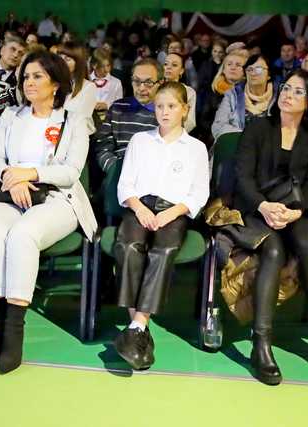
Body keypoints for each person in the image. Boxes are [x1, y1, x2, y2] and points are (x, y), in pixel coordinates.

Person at [0, 50, 97, 374]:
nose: (29, 82)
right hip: (9, 192)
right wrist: (9, 177)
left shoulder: (74, 121)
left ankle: (14, 332)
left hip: (58, 198)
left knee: (22, 235)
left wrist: (29, 174)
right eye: (26, 76)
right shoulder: (10, 116)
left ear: (56, 83)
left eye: (37, 76)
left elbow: (71, 172)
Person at [233, 69, 308, 385]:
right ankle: (260, 343)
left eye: (298, 92)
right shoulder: (259, 127)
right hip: (255, 209)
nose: (288, 94)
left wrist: (294, 212)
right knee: (273, 250)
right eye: (286, 88)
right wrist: (263, 206)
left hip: (294, 211)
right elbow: (243, 177)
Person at [113, 81, 209, 370]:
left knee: (163, 251)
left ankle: (136, 326)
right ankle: (139, 327)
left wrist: (172, 213)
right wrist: (139, 207)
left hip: (173, 211)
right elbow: (125, 184)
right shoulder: (140, 141)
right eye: (159, 106)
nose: (164, 112)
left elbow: (198, 193)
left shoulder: (196, 148)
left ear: (184, 109)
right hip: (139, 207)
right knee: (129, 246)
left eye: (171, 106)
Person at [95, 58, 163, 173]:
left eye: (148, 82)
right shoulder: (118, 108)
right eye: (136, 81)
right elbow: (103, 147)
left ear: (160, 83)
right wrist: (117, 170)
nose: (141, 88)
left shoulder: (166, 113)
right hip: (118, 171)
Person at [212, 54, 275, 141]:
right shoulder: (233, 95)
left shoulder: (278, 97)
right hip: (236, 147)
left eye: (259, 69)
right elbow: (218, 126)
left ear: (269, 75)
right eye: (249, 69)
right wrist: (245, 137)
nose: (253, 73)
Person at [197, 49, 247, 145]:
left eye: (238, 65)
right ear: (223, 69)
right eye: (229, 64)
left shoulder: (249, 94)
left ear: (245, 70)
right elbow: (203, 121)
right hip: (216, 140)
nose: (233, 67)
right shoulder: (211, 91)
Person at [58, 42, 98, 134]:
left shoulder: (88, 87)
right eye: (60, 58)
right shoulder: (52, 83)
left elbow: (81, 120)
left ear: (78, 63)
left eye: (67, 59)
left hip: (77, 137)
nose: (62, 62)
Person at [162, 53, 196, 132]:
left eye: (174, 65)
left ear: (181, 71)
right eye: (166, 64)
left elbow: (190, 122)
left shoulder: (189, 92)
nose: (168, 67)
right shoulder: (155, 88)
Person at [90, 47, 123, 112]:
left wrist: (107, 105)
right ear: (94, 65)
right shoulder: (85, 81)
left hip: (109, 118)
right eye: (102, 66)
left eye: (108, 65)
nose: (106, 70)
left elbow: (120, 105)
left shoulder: (116, 83)